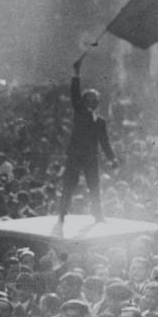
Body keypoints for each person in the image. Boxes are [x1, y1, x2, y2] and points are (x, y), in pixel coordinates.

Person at [57, 57, 118, 223]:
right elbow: (74, 93)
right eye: (88, 99)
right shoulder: (79, 112)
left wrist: (112, 158)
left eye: (93, 100)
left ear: (97, 103)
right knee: (69, 184)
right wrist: (76, 74)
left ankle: (98, 215)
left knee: (94, 186)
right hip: (76, 155)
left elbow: (104, 142)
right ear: (83, 101)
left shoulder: (100, 121)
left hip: (91, 157)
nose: (90, 102)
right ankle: (62, 212)